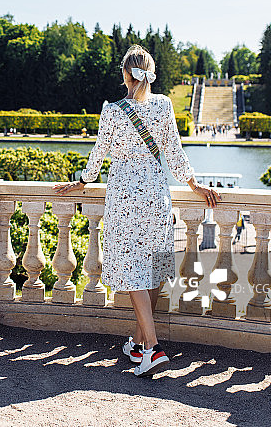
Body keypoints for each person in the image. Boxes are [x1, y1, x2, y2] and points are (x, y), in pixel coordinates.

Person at [55, 45, 220, 377]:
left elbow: (98, 154)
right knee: (155, 266)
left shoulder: (113, 110)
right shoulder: (163, 105)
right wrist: (196, 186)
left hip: (125, 197)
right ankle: (139, 340)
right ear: (150, 73)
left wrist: (82, 182)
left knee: (132, 270)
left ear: (125, 74)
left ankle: (152, 348)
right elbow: (174, 152)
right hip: (157, 194)